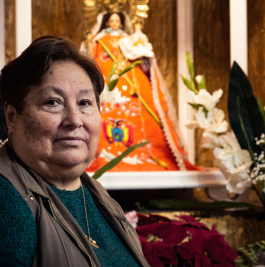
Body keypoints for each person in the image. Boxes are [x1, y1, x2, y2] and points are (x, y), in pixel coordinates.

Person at [0, 36, 152, 267]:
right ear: (12, 116)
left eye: (85, 103)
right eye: (53, 102)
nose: (74, 120)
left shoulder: (95, 193)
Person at [85, 12, 198, 172]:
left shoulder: (130, 39)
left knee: (144, 113)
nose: (115, 23)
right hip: (108, 79)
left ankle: (147, 153)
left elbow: (140, 58)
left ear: (122, 23)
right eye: (112, 21)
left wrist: (140, 45)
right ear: (106, 22)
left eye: (117, 20)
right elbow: (93, 59)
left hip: (130, 78)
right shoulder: (99, 39)